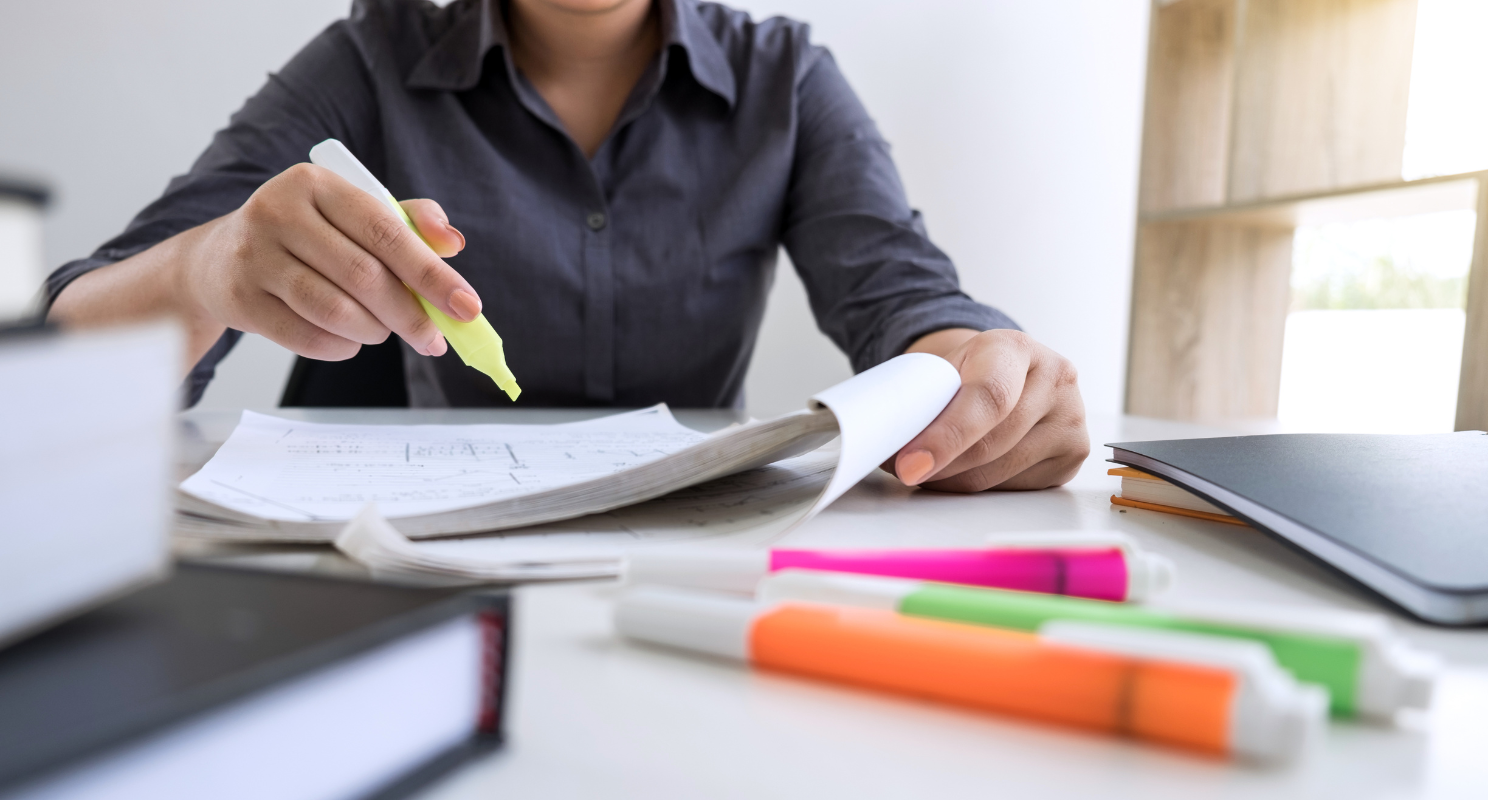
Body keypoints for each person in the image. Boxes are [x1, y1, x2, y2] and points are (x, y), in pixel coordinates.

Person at [45, 0, 1089, 492]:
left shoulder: (786, 79)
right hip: (393, 576)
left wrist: (985, 372)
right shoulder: (367, 59)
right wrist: (202, 268)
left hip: (680, 581)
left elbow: (907, 295)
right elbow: (52, 372)